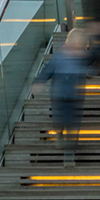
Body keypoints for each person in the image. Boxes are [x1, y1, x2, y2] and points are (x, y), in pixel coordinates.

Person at [34, 28, 90, 167]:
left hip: (75, 98)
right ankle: (59, 132)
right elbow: (48, 69)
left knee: (73, 127)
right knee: (59, 120)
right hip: (58, 96)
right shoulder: (59, 56)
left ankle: (69, 154)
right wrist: (38, 82)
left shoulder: (82, 58)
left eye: (81, 49)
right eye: (76, 48)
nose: (78, 52)